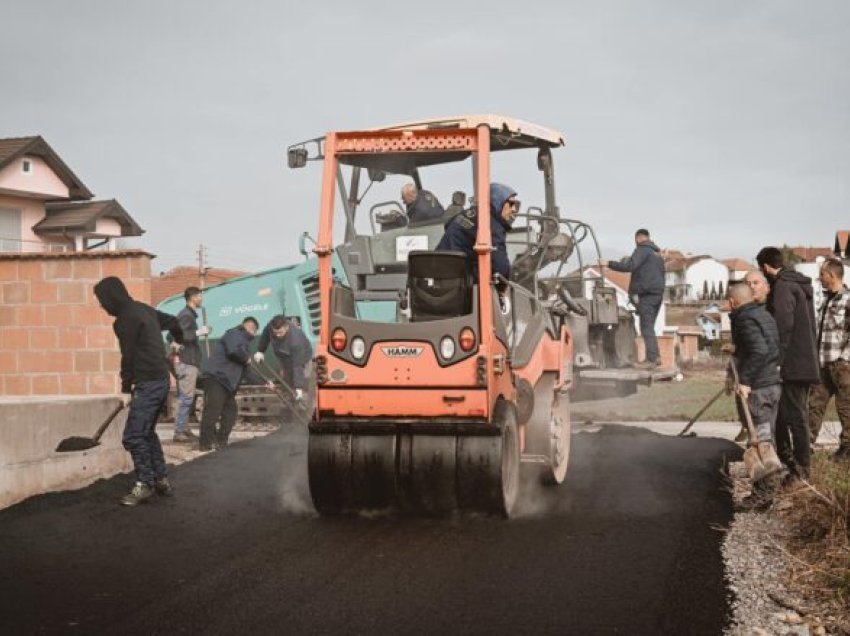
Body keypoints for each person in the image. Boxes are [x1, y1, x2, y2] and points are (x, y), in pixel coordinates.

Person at [93, 276, 183, 506]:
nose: (101, 305)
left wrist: (125, 388)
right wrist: (177, 342)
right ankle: (161, 478)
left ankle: (145, 484)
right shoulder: (144, 309)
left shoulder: (124, 320)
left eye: (101, 300)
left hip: (149, 382)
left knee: (133, 436)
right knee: (147, 432)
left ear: (110, 298)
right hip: (161, 380)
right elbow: (173, 321)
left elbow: (128, 356)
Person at [756, 246, 819, 479]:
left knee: (793, 418)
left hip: (792, 363)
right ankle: (794, 466)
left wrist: (777, 361)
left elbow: (783, 327)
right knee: (788, 416)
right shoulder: (799, 283)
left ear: (765, 267)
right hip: (804, 360)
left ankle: (801, 470)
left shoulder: (783, 287)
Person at [728, 283, 783, 511]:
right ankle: (769, 493)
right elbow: (768, 348)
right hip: (771, 384)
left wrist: (746, 381)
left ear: (733, 301)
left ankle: (763, 496)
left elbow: (759, 350)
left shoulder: (744, 319)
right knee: (767, 439)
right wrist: (737, 350)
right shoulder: (764, 315)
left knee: (759, 442)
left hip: (758, 389)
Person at [808, 258, 850, 461]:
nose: (819, 278)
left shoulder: (848, 299)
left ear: (832, 275)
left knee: (846, 408)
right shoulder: (826, 300)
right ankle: (806, 445)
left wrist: (844, 359)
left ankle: (847, 449)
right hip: (822, 364)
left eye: (822, 274)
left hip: (842, 366)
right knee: (815, 405)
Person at [436, 182, 518, 284]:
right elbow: (500, 266)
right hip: (459, 285)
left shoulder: (467, 213)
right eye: (511, 204)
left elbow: (448, 225)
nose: (514, 209)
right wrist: (503, 287)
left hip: (437, 278)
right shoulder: (491, 224)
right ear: (498, 202)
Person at [607, 229, 666, 369]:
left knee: (646, 327)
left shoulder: (643, 249)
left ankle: (652, 359)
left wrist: (609, 263)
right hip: (657, 295)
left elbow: (630, 266)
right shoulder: (656, 254)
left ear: (638, 238)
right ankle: (653, 357)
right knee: (649, 327)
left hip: (646, 295)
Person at [198, 317, 259, 451]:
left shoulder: (243, 344)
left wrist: (265, 383)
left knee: (230, 411)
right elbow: (233, 351)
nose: (254, 335)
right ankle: (205, 443)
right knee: (213, 410)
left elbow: (247, 371)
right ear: (250, 328)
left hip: (227, 383)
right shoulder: (235, 333)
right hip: (217, 377)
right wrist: (246, 358)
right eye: (254, 332)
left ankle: (221, 440)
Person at [171, 286, 212, 443]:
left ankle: (184, 429)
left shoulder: (188, 315)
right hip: (186, 362)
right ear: (192, 297)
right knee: (187, 398)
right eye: (199, 296)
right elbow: (174, 336)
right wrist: (198, 333)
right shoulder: (186, 315)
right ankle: (179, 431)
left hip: (189, 361)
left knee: (187, 397)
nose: (201, 298)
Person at [253, 315, 313, 406]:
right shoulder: (271, 327)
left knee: (303, 381)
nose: (277, 335)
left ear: (287, 327)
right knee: (287, 380)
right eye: (275, 332)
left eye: (280, 332)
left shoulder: (296, 341)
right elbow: (265, 334)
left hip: (302, 359)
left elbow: (298, 365)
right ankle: (289, 401)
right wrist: (261, 351)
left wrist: (299, 387)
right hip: (284, 357)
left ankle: (305, 405)